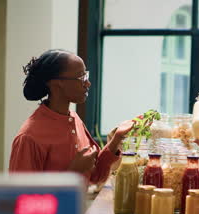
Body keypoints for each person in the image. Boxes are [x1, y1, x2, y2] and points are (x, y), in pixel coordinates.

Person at [9, 49, 133, 184]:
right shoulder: (29, 137)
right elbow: (20, 199)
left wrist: (116, 139)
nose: (88, 83)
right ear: (56, 84)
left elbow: (95, 176)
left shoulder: (75, 120)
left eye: (87, 75)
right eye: (81, 78)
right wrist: (74, 172)